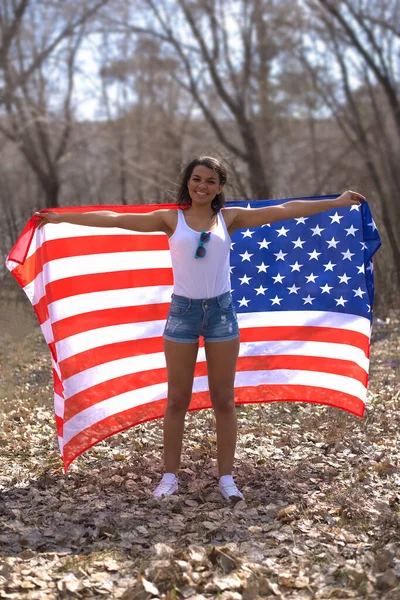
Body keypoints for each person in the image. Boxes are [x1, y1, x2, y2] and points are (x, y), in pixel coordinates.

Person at [36, 156, 365, 501]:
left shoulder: (229, 218)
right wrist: (63, 218)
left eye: (210, 181)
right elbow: (117, 219)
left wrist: (338, 202)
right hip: (183, 315)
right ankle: (169, 477)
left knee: (223, 400)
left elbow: (286, 209)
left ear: (220, 187)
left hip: (222, 313)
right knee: (177, 399)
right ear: (187, 182)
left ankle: (226, 479)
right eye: (196, 179)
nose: (202, 186)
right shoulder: (170, 219)